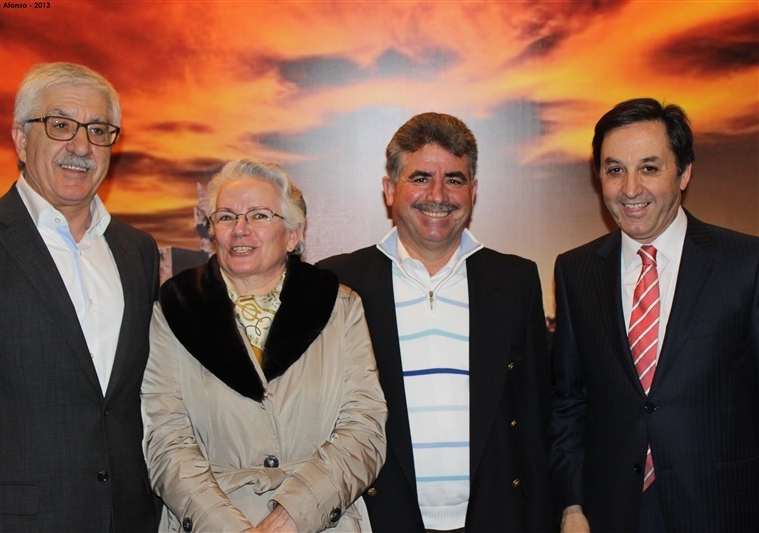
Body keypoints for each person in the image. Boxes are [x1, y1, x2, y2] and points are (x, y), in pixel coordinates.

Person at [318, 112, 553, 532]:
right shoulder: (338, 282)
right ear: (390, 189)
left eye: (455, 179)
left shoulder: (515, 280)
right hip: (377, 521)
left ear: (473, 191)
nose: (438, 194)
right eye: (421, 178)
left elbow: (536, 419)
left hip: (496, 519)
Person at [0, 63, 159, 531]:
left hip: (127, 518)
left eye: (98, 130)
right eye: (61, 125)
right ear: (20, 139)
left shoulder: (137, 251)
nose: (82, 146)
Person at [141, 158, 387, 532]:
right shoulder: (175, 309)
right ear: (212, 232)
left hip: (320, 522)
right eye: (226, 217)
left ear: (292, 235)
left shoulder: (340, 307)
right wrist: (226, 526)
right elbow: (166, 440)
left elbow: (363, 429)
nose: (240, 229)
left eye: (259, 215)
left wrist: (293, 516)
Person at [550, 98, 759, 532]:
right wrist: (572, 505)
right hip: (610, 513)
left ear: (684, 173)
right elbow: (568, 401)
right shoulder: (575, 271)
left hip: (723, 510)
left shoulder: (745, 263)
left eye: (649, 168)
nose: (630, 189)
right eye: (614, 170)